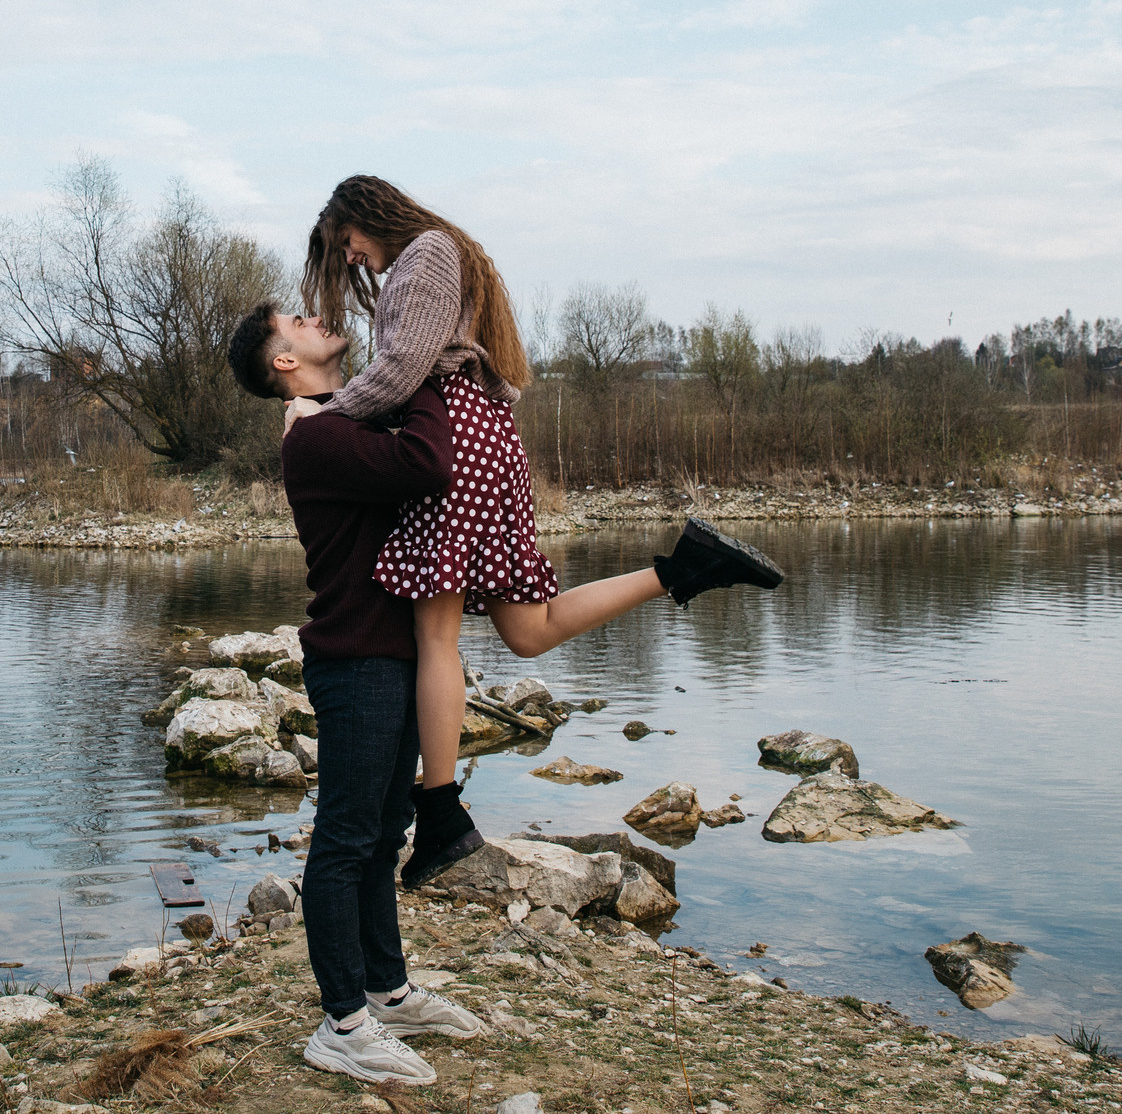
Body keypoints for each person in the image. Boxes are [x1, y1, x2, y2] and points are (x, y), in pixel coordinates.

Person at [262, 174, 787, 886]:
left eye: (346, 241)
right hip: (484, 435)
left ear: (366, 213)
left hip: (451, 436)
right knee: (529, 630)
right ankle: (681, 567)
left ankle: (441, 811)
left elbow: (401, 371)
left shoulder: (423, 255)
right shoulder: (446, 254)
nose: (351, 257)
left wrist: (327, 411)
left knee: (435, 636)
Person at [263, 310, 487, 1086]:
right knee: (346, 838)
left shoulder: (335, 419)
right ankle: (342, 1024)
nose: (315, 314)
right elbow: (427, 461)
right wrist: (424, 366)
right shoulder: (315, 437)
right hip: (356, 659)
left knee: (385, 831)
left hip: (390, 657)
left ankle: (385, 991)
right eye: (294, 319)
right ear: (286, 359)